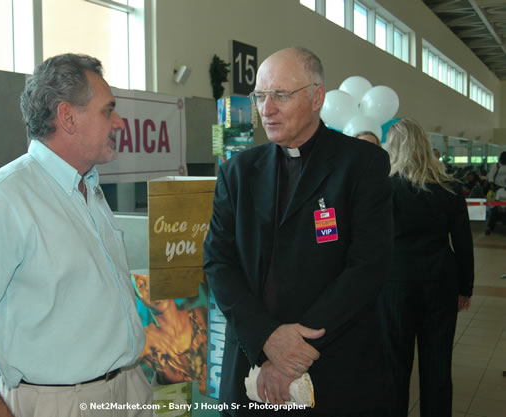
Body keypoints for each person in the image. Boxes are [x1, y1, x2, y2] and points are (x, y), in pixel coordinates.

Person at [0, 53, 152, 417]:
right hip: (60, 403)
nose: (120, 122)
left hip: (128, 389)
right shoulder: (3, 199)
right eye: (108, 110)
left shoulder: (87, 188)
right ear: (67, 117)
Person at [203, 47, 393, 416]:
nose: (266, 108)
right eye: (260, 96)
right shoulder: (238, 172)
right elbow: (218, 262)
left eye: (281, 95)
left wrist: (293, 349)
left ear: (316, 97)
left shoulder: (360, 164)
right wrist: (267, 339)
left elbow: (369, 264)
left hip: (334, 360)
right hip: (252, 362)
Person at [379, 118, 474, 417]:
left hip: (394, 285)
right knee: (438, 364)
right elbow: (463, 243)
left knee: (395, 366)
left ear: (392, 148)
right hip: (440, 284)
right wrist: (465, 288)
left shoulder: (384, 189)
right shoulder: (450, 189)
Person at [132, 274, 208, 392]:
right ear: (137, 295)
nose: (152, 289)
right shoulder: (144, 341)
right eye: (141, 285)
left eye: (155, 279)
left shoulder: (203, 315)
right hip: (179, 407)